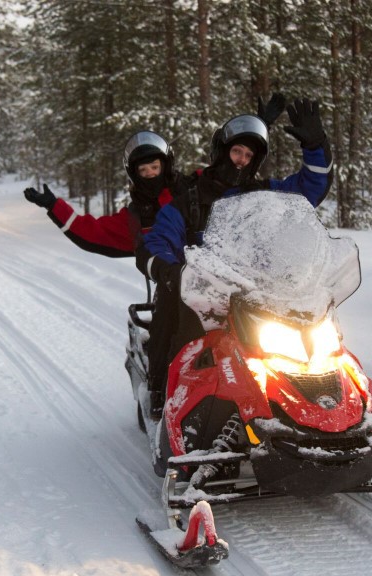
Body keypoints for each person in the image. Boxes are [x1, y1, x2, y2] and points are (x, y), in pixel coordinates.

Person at [135, 97, 333, 418]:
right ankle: (163, 392)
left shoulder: (266, 194)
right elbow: (160, 237)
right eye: (236, 151)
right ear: (222, 152)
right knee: (176, 323)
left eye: (249, 155)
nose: (241, 160)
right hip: (203, 296)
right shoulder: (193, 197)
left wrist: (316, 145)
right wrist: (169, 268)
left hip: (257, 292)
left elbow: (310, 188)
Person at [23, 130, 181, 258]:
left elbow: (206, 179)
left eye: (154, 167)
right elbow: (95, 232)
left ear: (165, 167)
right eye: (143, 170)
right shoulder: (138, 216)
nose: (150, 173)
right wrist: (54, 205)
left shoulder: (191, 192)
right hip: (174, 289)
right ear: (135, 175)